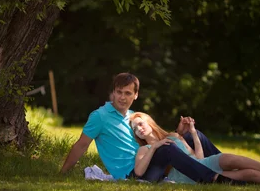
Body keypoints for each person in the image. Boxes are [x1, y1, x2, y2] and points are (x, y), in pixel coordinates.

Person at [60, 73, 243, 184]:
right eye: (119, 92)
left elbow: (152, 140)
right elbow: (81, 145)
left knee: (192, 137)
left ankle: (220, 166)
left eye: (127, 93)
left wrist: (179, 133)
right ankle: (211, 178)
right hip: (134, 173)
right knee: (167, 149)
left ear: (136, 95)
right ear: (113, 92)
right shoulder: (99, 116)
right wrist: (63, 173)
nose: (122, 97)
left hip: (149, 161)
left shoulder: (132, 116)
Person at [130, 112, 260, 184]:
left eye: (141, 123)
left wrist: (193, 132)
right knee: (250, 174)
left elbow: (197, 157)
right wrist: (154, 146)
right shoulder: (144, 150)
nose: (139, 128)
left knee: (233, 159)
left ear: (149, 121)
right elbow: (139, 171)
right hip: (185, 177)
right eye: (134, 128)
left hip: (203, 164)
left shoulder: (173, 136)